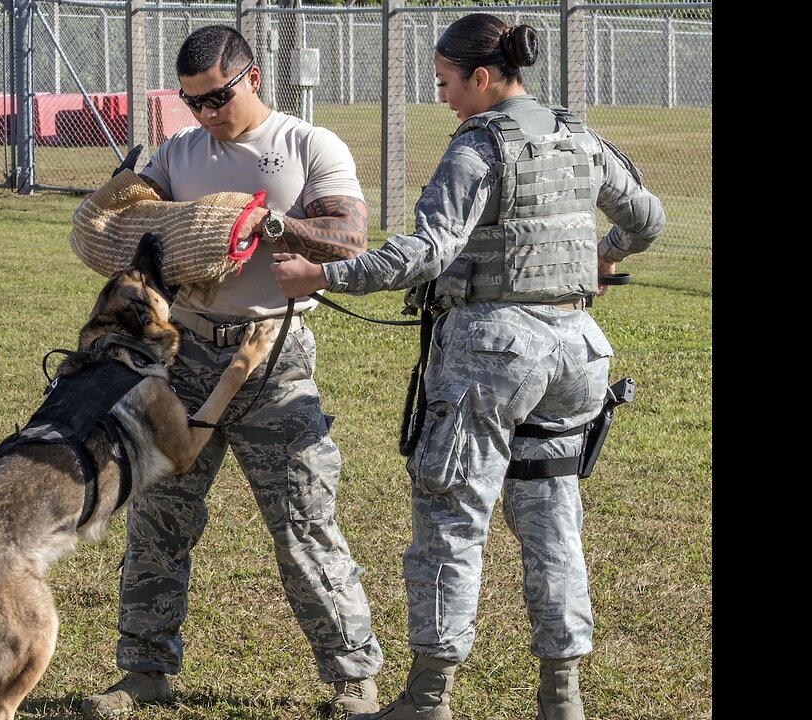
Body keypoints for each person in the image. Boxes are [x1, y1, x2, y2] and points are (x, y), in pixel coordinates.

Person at [271, 13, 664, 720]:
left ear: (483, 77)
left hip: (493, 355)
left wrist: (321, 277)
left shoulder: (478, 150)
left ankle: (428, 697)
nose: (443, 96)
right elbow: (647, 218)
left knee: (452, 518)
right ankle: (562, 698)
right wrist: (604, 256)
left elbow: (425, 252)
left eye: (447, 83)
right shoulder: (576, 133)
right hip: (575, 350)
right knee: (553, 520)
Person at [79, 23, 384, 719]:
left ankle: (352, 676)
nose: (208, 114)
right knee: (158, 515)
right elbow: (133, 221)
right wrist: (112, 208)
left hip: (272, 354)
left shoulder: (308, 145)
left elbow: (350, 237)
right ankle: (144, 670)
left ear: (251, 77)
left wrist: (270, 226)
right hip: (184, 354)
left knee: (303, 518)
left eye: (218, 97)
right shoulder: (179, 152)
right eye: (194, 102)